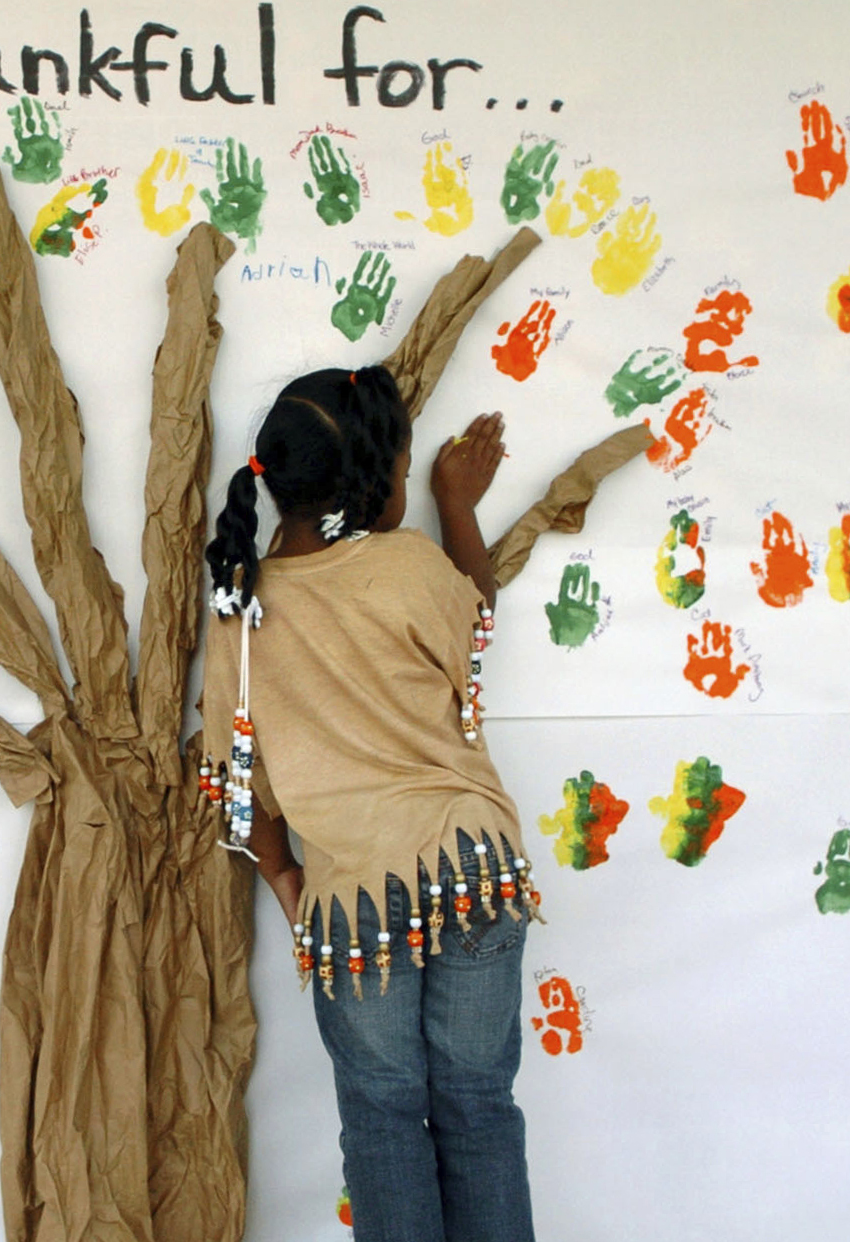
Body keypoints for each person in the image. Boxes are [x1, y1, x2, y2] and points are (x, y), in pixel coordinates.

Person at [199, 363, 539, 1242]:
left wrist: (284, 881)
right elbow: (480, 620)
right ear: (373, 486)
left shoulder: (239, 620)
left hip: (354, 904)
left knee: (384, 1121)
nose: (406, 486)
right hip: (471, 866)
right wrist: (455, 503)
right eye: (401, 470)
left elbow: (237, 784)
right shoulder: (410, 566)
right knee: (480, 1108)